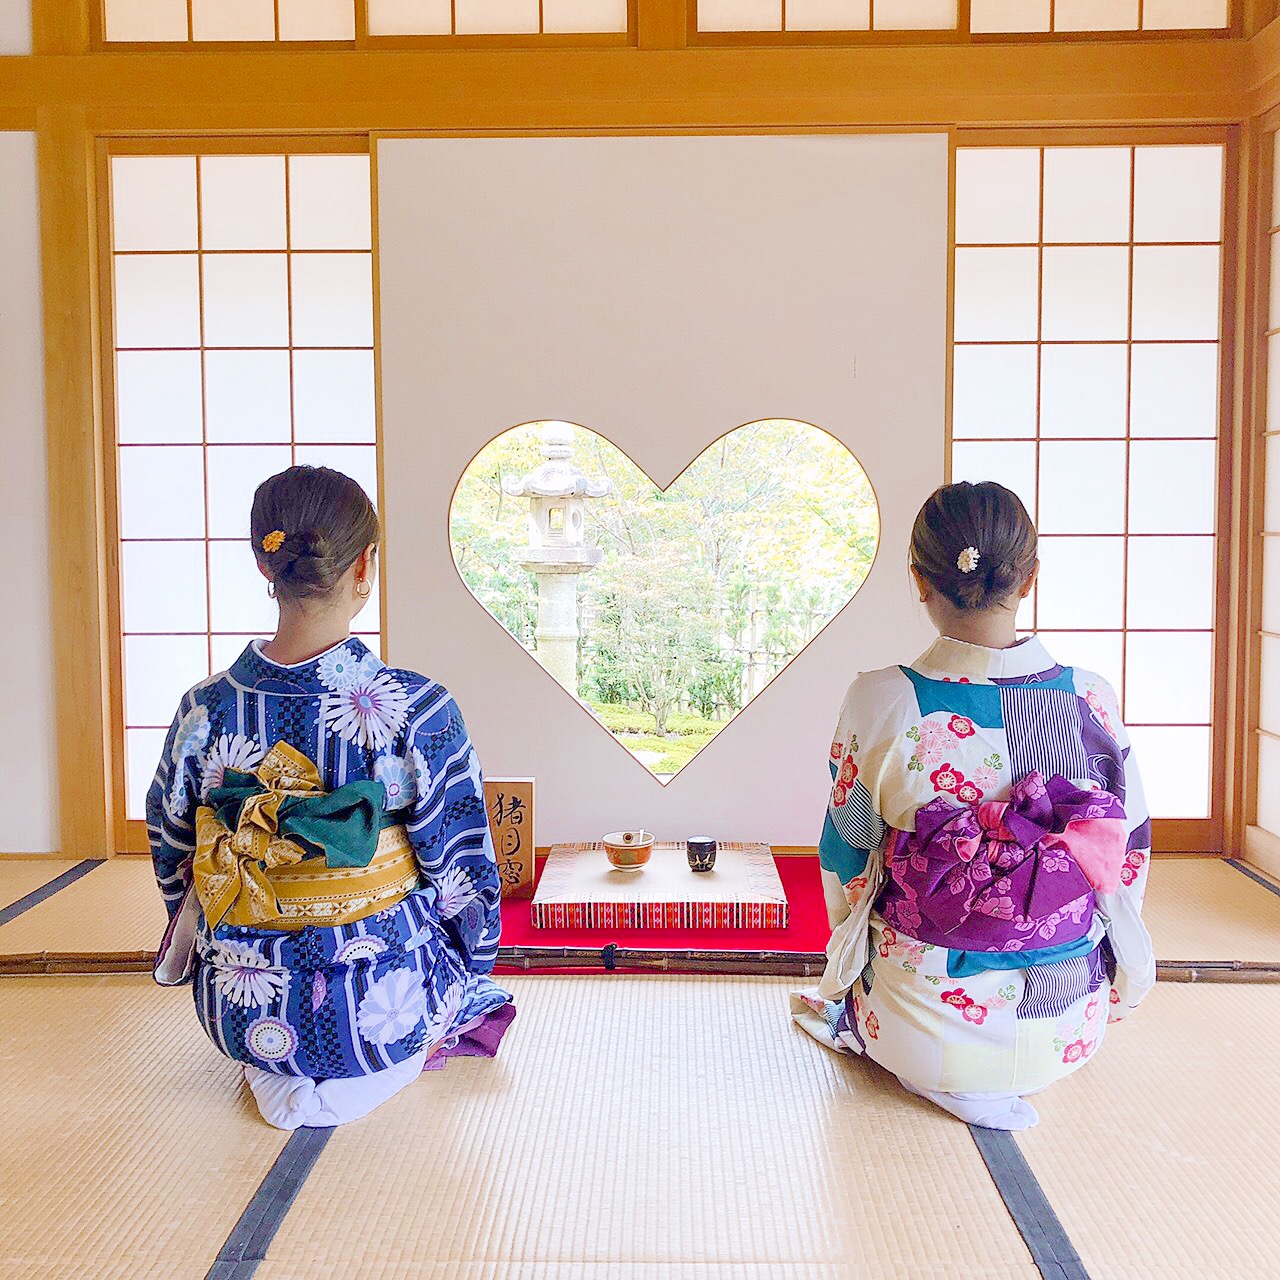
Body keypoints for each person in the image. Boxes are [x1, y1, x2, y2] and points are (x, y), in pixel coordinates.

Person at [148, 465, 514, 1130]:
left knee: (268, 1016)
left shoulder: (203, 709)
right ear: (365, 566)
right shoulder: (415, 709)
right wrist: (470, 966)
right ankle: (363, 1069)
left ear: (266, 565)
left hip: (239, 1007)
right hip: (382, 1010)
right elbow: (463, 871)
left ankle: (276, 1068)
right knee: (464, 981)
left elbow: (175, 856)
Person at [791, 481, 1154, 1131]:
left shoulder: (884, 699)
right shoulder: (1088, 699)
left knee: (871, 931)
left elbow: (846, 844)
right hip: (1066, 1027)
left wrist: (845, 956)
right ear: (1030, 576)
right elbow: (1126, 855)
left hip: (919, 1030)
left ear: (919, 581)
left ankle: (924, 1053)